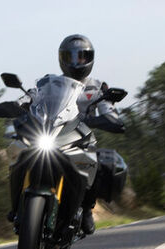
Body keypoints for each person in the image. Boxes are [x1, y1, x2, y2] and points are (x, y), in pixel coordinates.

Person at [9, 34, 124, 236]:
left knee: (96, 161)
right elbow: (30, 97)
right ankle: (16, 206)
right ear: (62, 58)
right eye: (70, 57)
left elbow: (109, 110)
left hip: (81, 137)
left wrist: (108, 119)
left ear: (89, 59)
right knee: (21, 152)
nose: (76, 62)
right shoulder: (49, 83)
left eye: (81, 56)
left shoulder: (98, 87)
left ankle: (86, 209)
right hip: (51, 132)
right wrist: (13, 106)